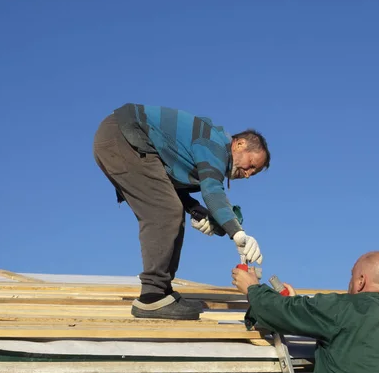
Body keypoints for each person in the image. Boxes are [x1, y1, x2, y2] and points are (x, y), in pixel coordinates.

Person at [93, 103, 270, 320]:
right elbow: (212, 191)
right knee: (165, 212)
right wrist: (238, 233)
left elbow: (171, 187)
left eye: (255, 172)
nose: (249, 174)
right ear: (240, 144)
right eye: (252, 164)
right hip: (123, 137)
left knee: (171, 210)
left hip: (124, 139)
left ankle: (162, 292)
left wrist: (198, 211)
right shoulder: (215, 143)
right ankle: (152, 297)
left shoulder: (207, 151)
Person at [232, 251, 379, 373]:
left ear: (361, 281)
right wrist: (297, 304)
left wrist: (252, 288)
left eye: (352, 276)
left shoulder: (343, 308)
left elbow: (278, 311)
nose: (349, 282)